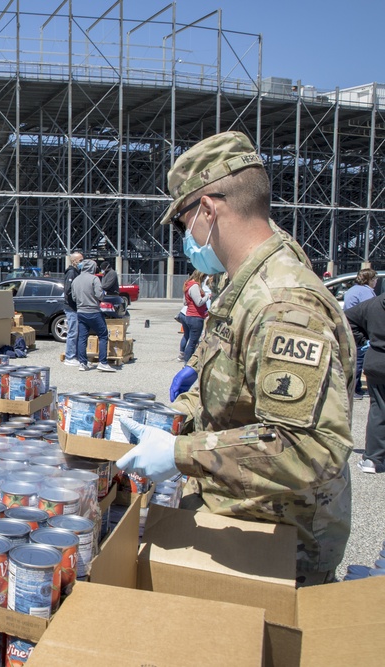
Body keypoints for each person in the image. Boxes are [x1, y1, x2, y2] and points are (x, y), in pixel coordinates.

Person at [118, 131, 354, 584]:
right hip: (243, 518)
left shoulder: (281, 302)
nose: (185, 237)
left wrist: (180, 452)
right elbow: (228, 395)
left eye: (183, 223)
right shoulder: (242, 283)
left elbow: (310, 448)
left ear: (207, 209)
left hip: (280, 543)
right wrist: (176, 421)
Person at [345, 292, 385, 473]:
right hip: (377, 358)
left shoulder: (373, 304)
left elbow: (347, 319)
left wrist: (365, 338)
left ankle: (373, 458)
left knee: (379, 408)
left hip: (378, 358)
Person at [71, 259, 114, 372]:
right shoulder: (94, 279)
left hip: (80, 312)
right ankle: (103, 362)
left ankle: (82, 363)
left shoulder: (75, 280)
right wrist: (102, 295)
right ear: (92, 268)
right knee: (103, 335)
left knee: (82, 338)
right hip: (94, 311)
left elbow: (74, 297)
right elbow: (100, 295)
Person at [344, 268, 378, 399]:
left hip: (351, 327)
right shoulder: (366, 293)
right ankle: (356, 389)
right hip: (361, 329)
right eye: (374, 279)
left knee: (355, 358)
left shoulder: (353, 290)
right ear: (369, 280)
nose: (376, 282)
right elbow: (370, 312)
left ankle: (354, 388)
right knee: (359, 360)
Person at [179, 270, 208, 362]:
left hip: (189, 315)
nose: (203, 280)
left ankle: (184, 358)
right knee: (192, 342)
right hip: (196, 317)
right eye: (203, 278)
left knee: (189, 338)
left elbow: (185, 302)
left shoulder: (188, 284)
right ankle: (187, 362)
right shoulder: (194, 286)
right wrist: (208, 296)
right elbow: (199, 302)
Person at [61, 252, 83, 366]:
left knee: (77, 332)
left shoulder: (77, 272)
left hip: (75, 307)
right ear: (74, 261)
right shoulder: (71, 273)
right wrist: (76, 299)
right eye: (80, 260)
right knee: (73, 332)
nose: (82, 263)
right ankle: (69, 357)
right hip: (71, 307)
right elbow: (68, 291)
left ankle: (76, 355)